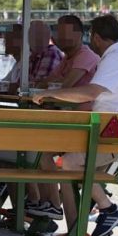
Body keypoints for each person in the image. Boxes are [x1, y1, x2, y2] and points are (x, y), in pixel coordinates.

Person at [33, 14, 118, 236]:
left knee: (68, 162)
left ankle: (108, 209)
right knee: (64, 162)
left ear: (95, 37)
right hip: (108, 132)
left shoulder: (115, 59)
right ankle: (76, 231)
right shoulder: (116, 57)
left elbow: (90, 92)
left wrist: (50, 93)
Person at [28, 15, 101, 221]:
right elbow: (47, 82)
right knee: (33, 147)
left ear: (79, 35)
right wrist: (51, 87)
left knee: (39, 150)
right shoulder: (68, 58)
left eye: (66, 35)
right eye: (59, 34)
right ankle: (46, 202)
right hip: (68, 120)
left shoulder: (85, 56)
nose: (61, 39)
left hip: (83, 124)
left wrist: (53, 88)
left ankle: (52, 204)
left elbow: (66, 86)